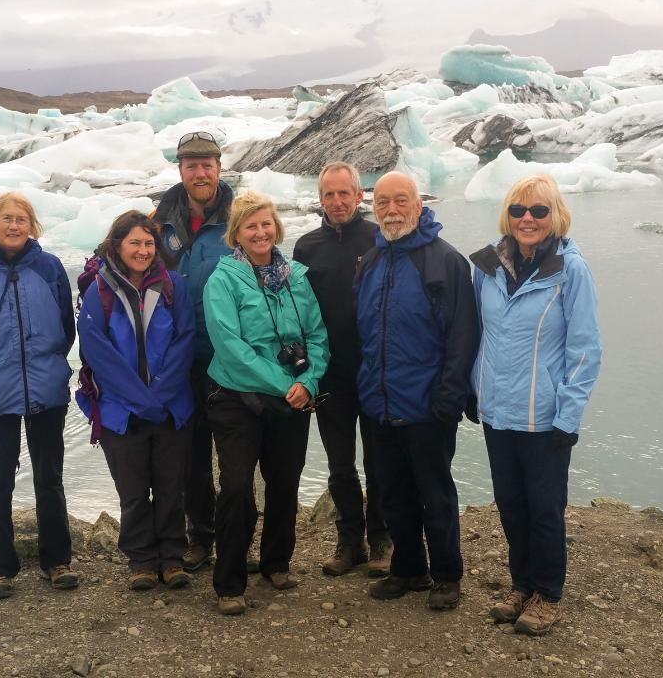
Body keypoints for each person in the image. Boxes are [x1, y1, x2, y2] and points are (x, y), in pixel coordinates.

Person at [468, 174, 601, 636]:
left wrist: (569, 417)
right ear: (508, 214)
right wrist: (473, 389)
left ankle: (548, 593)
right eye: (520, 210)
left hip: (544, 417)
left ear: (555, 216)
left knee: (545, 508)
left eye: (539, 211)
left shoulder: (570, 270)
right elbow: (476, 332)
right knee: (510, 503)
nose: (528, 219)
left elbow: (584, 350)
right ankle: (520, 585)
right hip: (498, 411)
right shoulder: (487, 264)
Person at [354, 171, 478, 611]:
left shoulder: (444, 261)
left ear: (418, 206)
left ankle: (447, 574)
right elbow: (367, 336)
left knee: (435, 493)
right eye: (383, 202)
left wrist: (450, 397)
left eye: (400, 201)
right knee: (393, 492)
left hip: (427, 405)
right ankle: (409, 569)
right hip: (381, 402)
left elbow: (462, 336)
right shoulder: (371, 261)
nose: (391, 210)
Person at [202, 190, 330, 615]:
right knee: (237, 487)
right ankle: (230, 581)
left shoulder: (295, 275)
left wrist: (309, 382)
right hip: (238, 398)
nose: (261, 232)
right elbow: (231, 348)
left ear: (277, 228)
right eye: (251, 225)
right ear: (236, 233)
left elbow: (317, 336)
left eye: (266, 224)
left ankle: (277, 562)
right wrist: (285, 384)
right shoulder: (222, 280)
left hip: (293, 397)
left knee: (284, 482)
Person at [0, 191, 78, 600]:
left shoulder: (49, 267)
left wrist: (51, 362)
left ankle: (56, 561)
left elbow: (65, 325)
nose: (14, 225)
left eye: (22, 218)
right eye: (7, 218)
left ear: (32, 225)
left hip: (45, 388)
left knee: (49, 478)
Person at [76, 211, 196, 591]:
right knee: (132, 491)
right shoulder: (99, 291)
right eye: (135, 243)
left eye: (148, 243)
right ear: (117, 245)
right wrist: (141, 399)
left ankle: (173, 558)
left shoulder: (173, 286)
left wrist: (158, 395)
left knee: (170, 487)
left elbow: (184, 340)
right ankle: (142, 560)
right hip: (120, 411)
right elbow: (98, 353)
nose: (143, 251)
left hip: (169, 407)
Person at [293, 162, 391, 577]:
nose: (336, 202)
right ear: (320, 199)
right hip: (329, 375)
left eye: (343, 194)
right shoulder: (306, 247)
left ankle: (381, 541)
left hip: (372, 372)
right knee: (340, 464)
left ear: (359, 196)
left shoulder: (378, 239)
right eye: (328, 195)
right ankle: (348, 541)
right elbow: (296, 312)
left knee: (379, 461)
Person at [151, 131, 234, 573]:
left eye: (207, 164)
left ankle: (237, 538)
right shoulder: (159, 222)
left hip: (228, 356)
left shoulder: (239, 219)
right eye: (191, 165)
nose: (200, 173)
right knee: (191, 455)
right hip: (179, 358)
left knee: (238, 455)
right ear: (180, 171)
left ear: (219, 168)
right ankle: (201, 537)